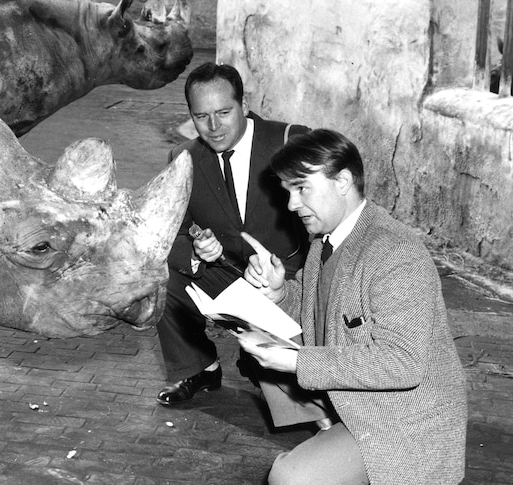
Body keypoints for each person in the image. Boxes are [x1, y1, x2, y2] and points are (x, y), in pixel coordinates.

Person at [240, 129, 468, 484]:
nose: (291, 205)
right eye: (288, 192)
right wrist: (280, 292)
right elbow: (321, 311)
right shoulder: (327, 241)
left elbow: (403, 363)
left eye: (301, 188)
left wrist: (298, 361)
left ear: (343, 181)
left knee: (290, 477)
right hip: (357, 402)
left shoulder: (395, 252)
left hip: (402, 422)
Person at [155, 62, 310, 405]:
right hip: (225, 275)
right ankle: (199, 367)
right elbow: (170, 235)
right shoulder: (183, 159)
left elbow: (325, 229)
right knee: (159, 275)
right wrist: (197, 251)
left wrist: (296, 285)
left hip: (287, 283)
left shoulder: (290, 141)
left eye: (224, 112)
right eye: (201, 116)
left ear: (243, 104)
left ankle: (261, 361)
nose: (213, 126)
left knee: (289, 401)